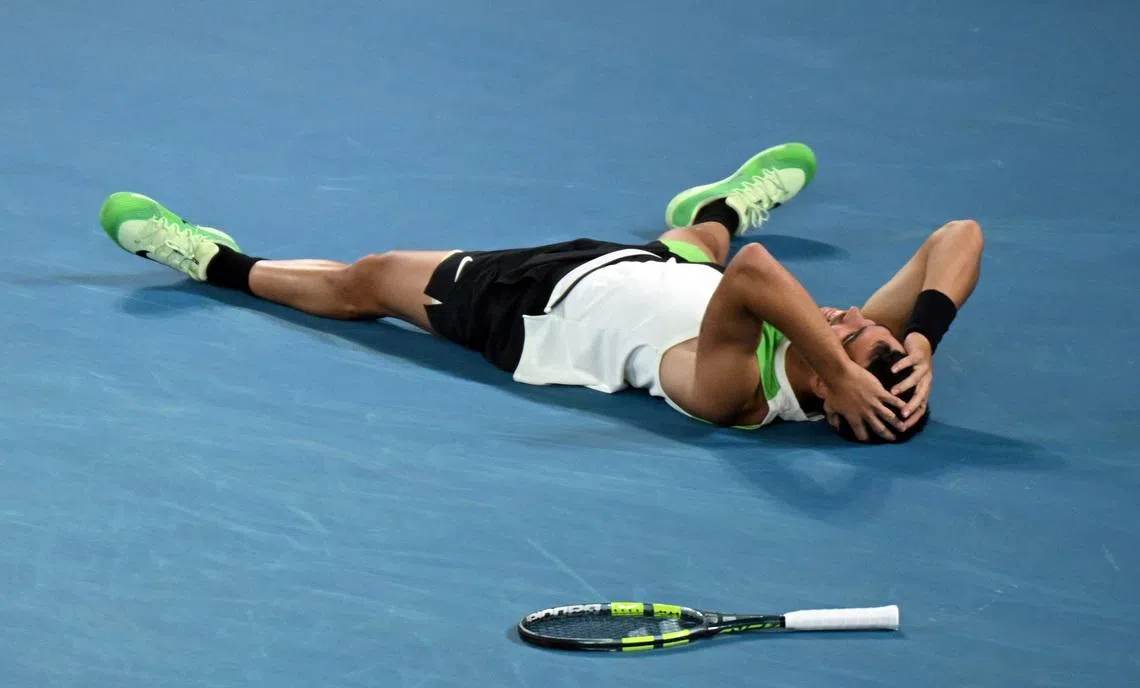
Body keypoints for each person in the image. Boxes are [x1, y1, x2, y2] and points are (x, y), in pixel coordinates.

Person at [98, 143, 982, 442]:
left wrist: (844, 356)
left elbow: (755, 283)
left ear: (832, 396)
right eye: (874, 334)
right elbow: (959, 238)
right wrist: (922, 343)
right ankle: (717, 206)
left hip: (529, 305)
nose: (858, 320)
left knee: (367, 280)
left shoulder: (735, 393)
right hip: (656, 270)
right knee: (700, 242)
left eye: (859, 345)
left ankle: (214, 261)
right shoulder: (843, 350)